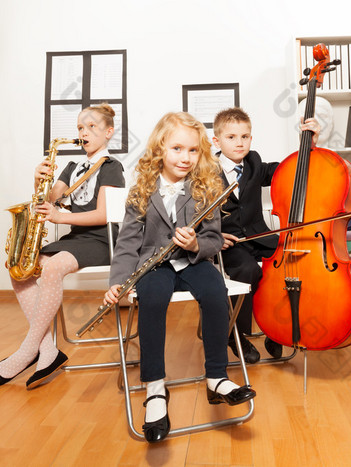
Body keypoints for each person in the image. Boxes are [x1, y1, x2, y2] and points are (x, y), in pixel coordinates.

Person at [104, 112, 256, 443]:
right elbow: (128, 243)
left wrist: (197, 243)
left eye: (192, 150)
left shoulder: (206, 187)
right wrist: (118, 281)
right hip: (154, 266)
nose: (185, 158)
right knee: (153, 298)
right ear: (160, 148)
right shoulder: (141, 190)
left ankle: (217, 377)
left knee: (216, 291)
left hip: (192, 261)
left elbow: (215, 239)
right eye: (176, 148)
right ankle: (155, 388)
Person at [0, 104, 125, 390]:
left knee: (52, 267)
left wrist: (61, 216)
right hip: (76, 239)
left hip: (104, 239)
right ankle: (48, 352)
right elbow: (47, 200)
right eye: (80, 128)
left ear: (109, 132)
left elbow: (102, 215)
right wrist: (38, 179)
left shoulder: (112, 167)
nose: (84, 133)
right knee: (19, 268)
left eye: (91, 127)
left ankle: (28, 350)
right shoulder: (72, 167)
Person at [213, 107, 320, 363]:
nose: (240, 142)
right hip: (228, 244)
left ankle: (277, 328)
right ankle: (236, 334)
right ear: (216, 140)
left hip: (259, 236)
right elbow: (192, 212)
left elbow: (289, 170)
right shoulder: (204, 170)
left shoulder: (254, 162)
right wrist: (215, 236)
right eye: (231, 137)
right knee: (249, 270)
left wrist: (310, 146)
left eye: (245, 136)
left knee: (293, 258)